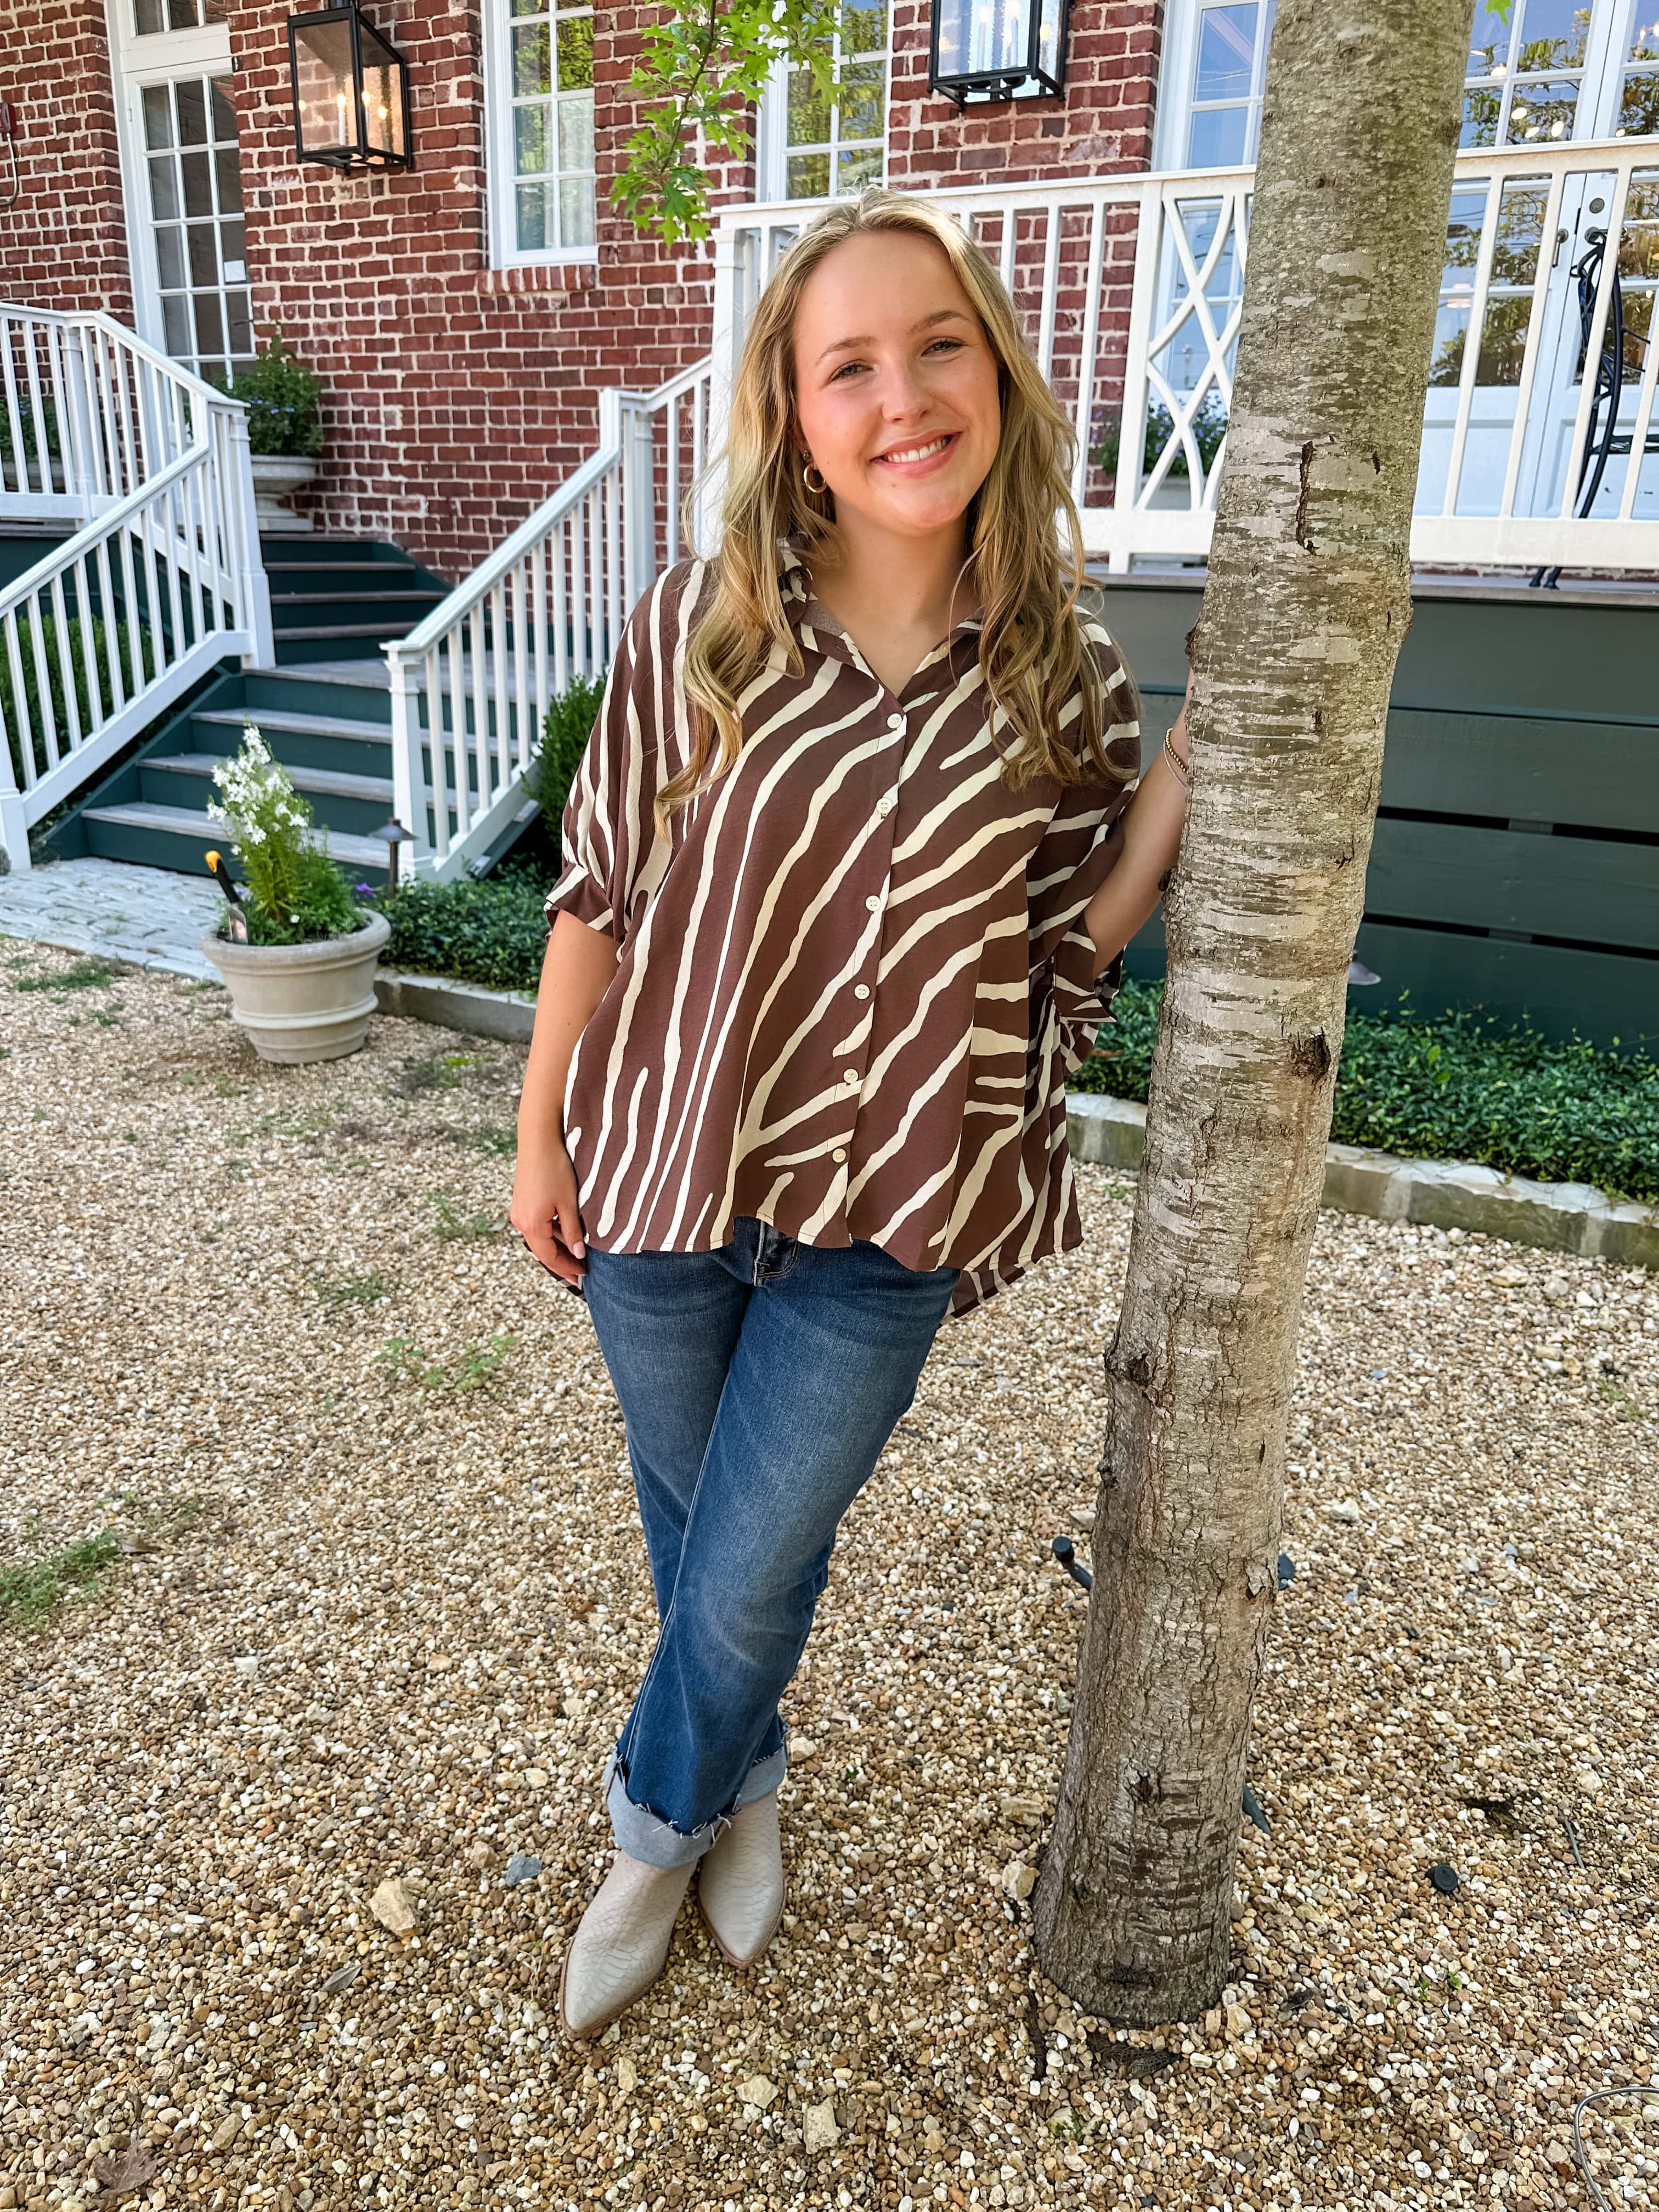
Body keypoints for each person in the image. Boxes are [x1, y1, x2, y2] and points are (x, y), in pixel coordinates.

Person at [510, 187, 1192, 2040]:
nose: (906, 396)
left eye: (940, 345)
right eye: (851, 365)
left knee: (739, 1567)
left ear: (998, 377)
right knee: (722, 1559)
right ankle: (753, 1790)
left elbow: (1059, 947)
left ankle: (654, 1835)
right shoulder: (703, 634)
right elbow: (596, 898)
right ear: (796, 416)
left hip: (893, 1204)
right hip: (666, 1173)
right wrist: (539, 1128)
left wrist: (1173, 802)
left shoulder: (1069, 681)